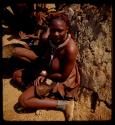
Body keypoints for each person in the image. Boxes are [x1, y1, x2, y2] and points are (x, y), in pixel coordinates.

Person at [12, 12, 80, 121]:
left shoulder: (70, 49)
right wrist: (43, 70)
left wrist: (46, 75)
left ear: (67, 29)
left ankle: (64, 105)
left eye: (60, 30)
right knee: (16, 76)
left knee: (23, 101)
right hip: (48, 71)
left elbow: (63, 76)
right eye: (53, 30)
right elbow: (44, 56)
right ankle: (41, 99)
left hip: (58, 80)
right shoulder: (51, 39)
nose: (56, 34)